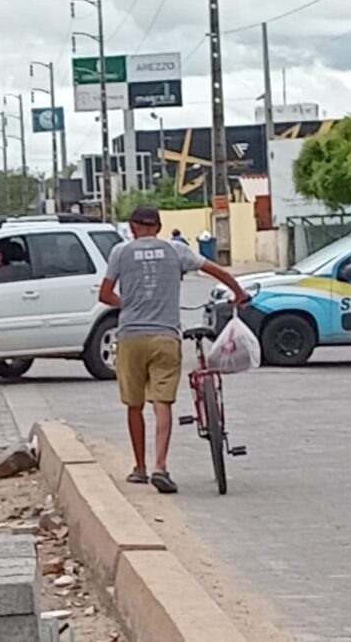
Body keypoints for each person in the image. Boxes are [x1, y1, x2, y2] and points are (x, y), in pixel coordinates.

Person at [99, 206, 249, 494]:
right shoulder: (176, 250)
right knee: (162, 402)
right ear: (158, 226)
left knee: (134, 404)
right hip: (166, 336)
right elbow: (215, 271)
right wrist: (238, 293)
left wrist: (128, 305)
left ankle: (140, 468)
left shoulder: (120, 251)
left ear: (132, 228)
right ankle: (161, 466)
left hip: (130, 336)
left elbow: (104, 295)